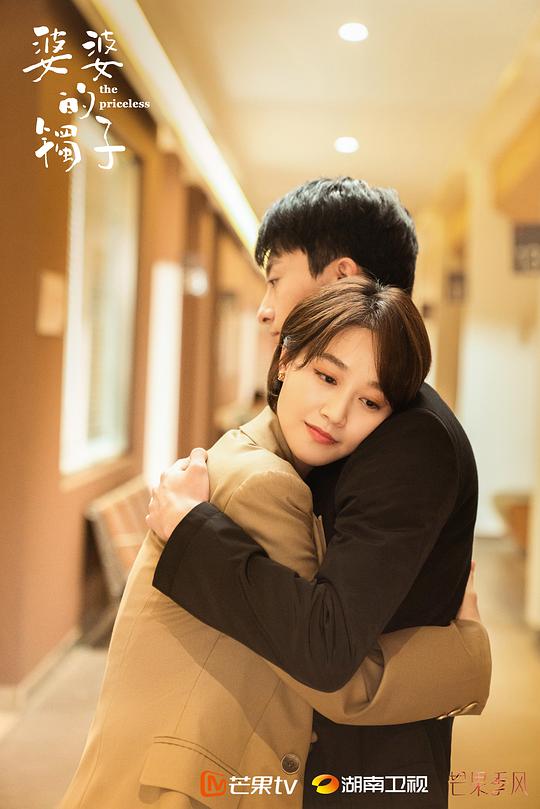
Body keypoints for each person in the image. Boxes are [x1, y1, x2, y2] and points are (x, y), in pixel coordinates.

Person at [59, 280, 489, 809]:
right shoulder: (268, 483)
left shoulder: (252, 454)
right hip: (181, 786)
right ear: (285, 361)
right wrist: (466, 657)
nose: (336, 412)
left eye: (369, 401)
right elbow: (326, 668)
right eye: (327, 376)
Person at [148, 178, 488, 808]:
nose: (264, 308)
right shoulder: (342, 427)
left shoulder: (410, 437)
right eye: (326, 377)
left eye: (275, 279)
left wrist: (193, 530)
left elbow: (328, 645)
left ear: (341, 277)